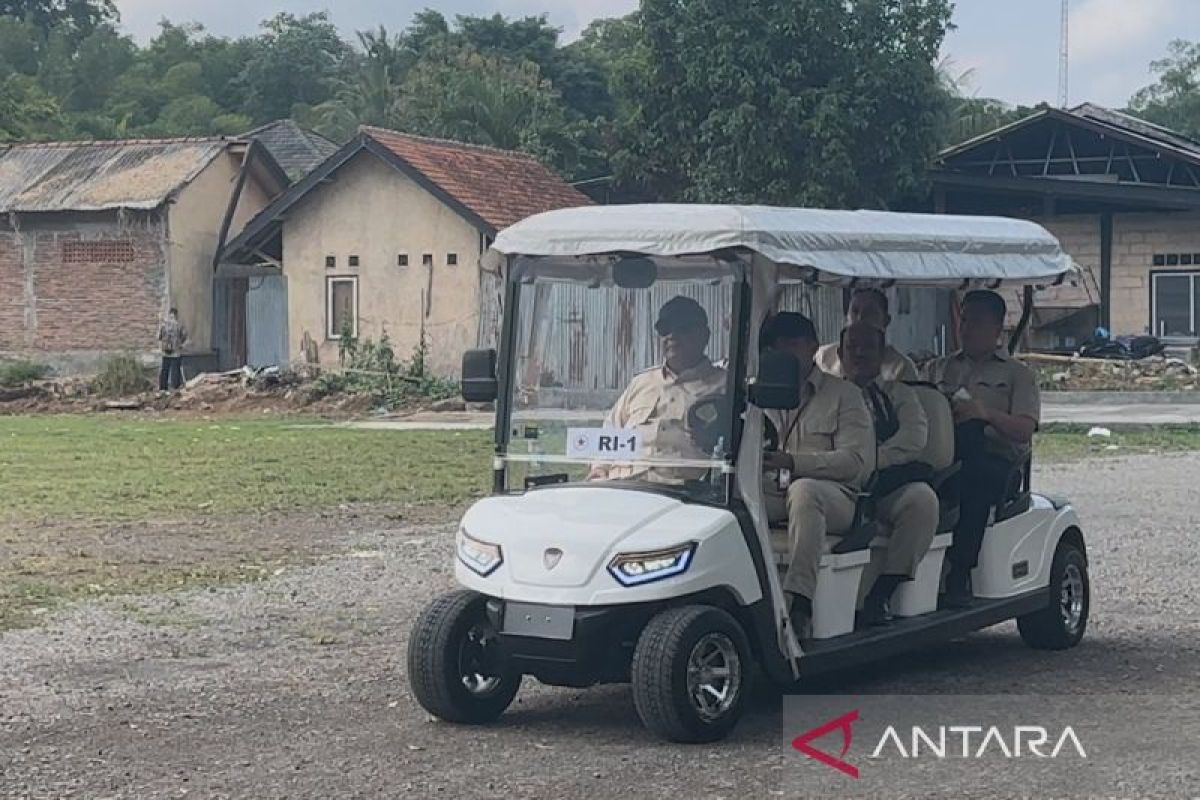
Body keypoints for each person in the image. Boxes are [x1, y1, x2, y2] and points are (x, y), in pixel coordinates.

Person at [922, 290, 1040, 607]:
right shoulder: (937, 369)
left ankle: (960, 572)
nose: (967, 327)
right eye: (964, 319)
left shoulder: (1018, 375)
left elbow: (1024, 430)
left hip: (998, 462)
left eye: (977, 320)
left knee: (973, 482)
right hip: (944, 454)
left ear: (998, 327)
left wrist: (985, 414)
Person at [761, 312, 875, 635]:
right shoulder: (759, 393)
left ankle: (799, 600)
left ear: (812, 347)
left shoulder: (844, 395)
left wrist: (793, 462)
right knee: (726, 494)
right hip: (774, 491)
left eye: (793, 345)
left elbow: (854, 461)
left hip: (836, 497)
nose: (785, 354)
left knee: (805, 491)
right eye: (778, 347)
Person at [838, 322, 939, 626]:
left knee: (922, 501)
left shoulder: (899, 395)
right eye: (852, 347)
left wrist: (866, 461)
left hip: (881, 485)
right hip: (836, 483)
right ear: (840, 354)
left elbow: (913, 439)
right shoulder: (828, 394)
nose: (859, 353)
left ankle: (881, 593)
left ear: (882, 354)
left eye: (868, 347)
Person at [588, 296, 726, 483]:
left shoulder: (725, 387)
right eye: (665, 330)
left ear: (704, 335)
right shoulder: (641, 382)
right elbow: (611, 430)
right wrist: (600, 469)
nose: (672, 336)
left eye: (682, 328)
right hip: (621, 485)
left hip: (684, 495)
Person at [816, 288, 918, 381]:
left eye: (870, 312)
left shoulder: (901, 367)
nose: (860, 318)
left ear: (886, 321)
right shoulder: (822, 357)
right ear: (846, 317)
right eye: (855, 311)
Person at [157, 307, 188, 391]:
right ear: (176, 315)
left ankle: (163, 389)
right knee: (175, 372)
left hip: (165, 352)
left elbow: (159, 337)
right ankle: (175, 388)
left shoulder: (164, 326)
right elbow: (184, 336)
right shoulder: (179, 325)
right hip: (176, 353)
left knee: (164, 371)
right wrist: (181, 345)